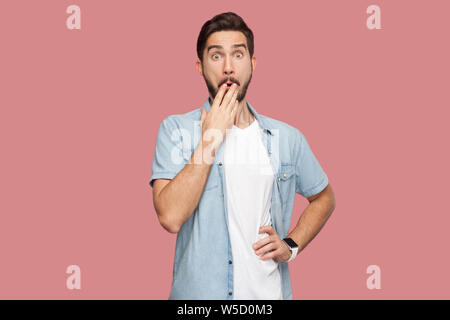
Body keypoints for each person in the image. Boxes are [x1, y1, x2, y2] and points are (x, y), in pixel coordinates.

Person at [149, 12, 336, 300]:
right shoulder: (176, 130)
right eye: (215, 56)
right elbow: (171, 216)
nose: (227, 67)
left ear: (252, 63)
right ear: (199, 66)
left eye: (238, 54)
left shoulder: (287, 138)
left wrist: (292, 244)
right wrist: (211, 137)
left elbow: (324, 198)